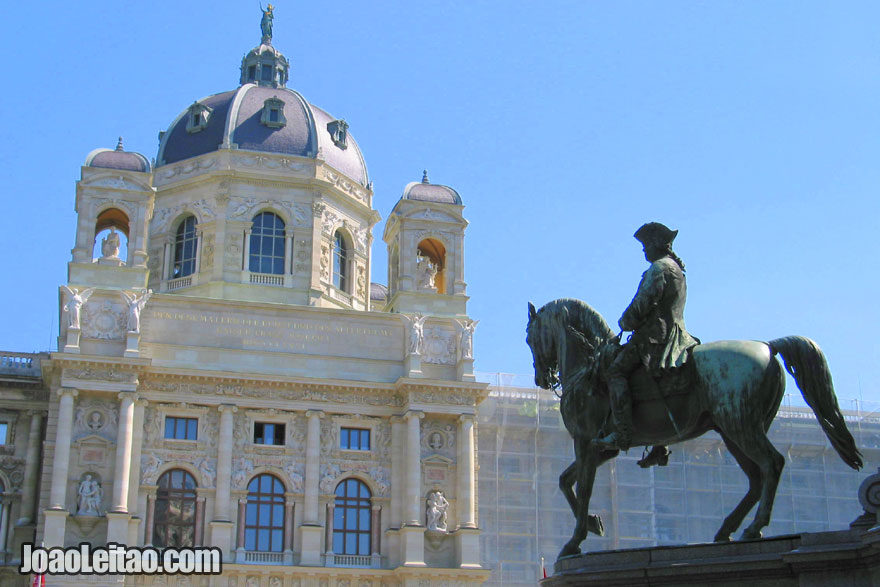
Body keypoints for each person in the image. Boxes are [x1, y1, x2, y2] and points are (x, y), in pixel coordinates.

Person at [594, 223, 700, 467]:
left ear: (655, 245)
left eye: (645, 246)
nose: (643, 251)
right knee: (648, 382)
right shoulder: (677, 270)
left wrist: (626, 320)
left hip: (655, 338)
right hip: (678, 333)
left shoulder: (659, 268)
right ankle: (658, 444)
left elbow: (643, 303)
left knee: (616, 371)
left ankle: (623, 432)